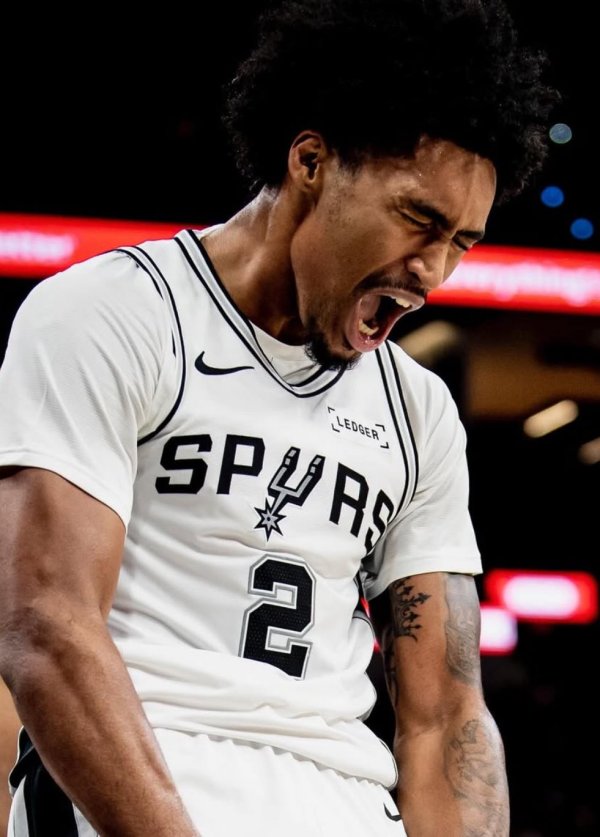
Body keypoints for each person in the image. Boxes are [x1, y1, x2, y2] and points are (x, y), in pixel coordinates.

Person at [0, 1, 556, 834]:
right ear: (311, 162)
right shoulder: (114, 312)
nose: (434, 270)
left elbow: (446, 715)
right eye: (419, 219)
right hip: (145, 779)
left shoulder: (417, 410)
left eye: (462, 242)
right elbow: (48, 625)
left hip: (341, 799)